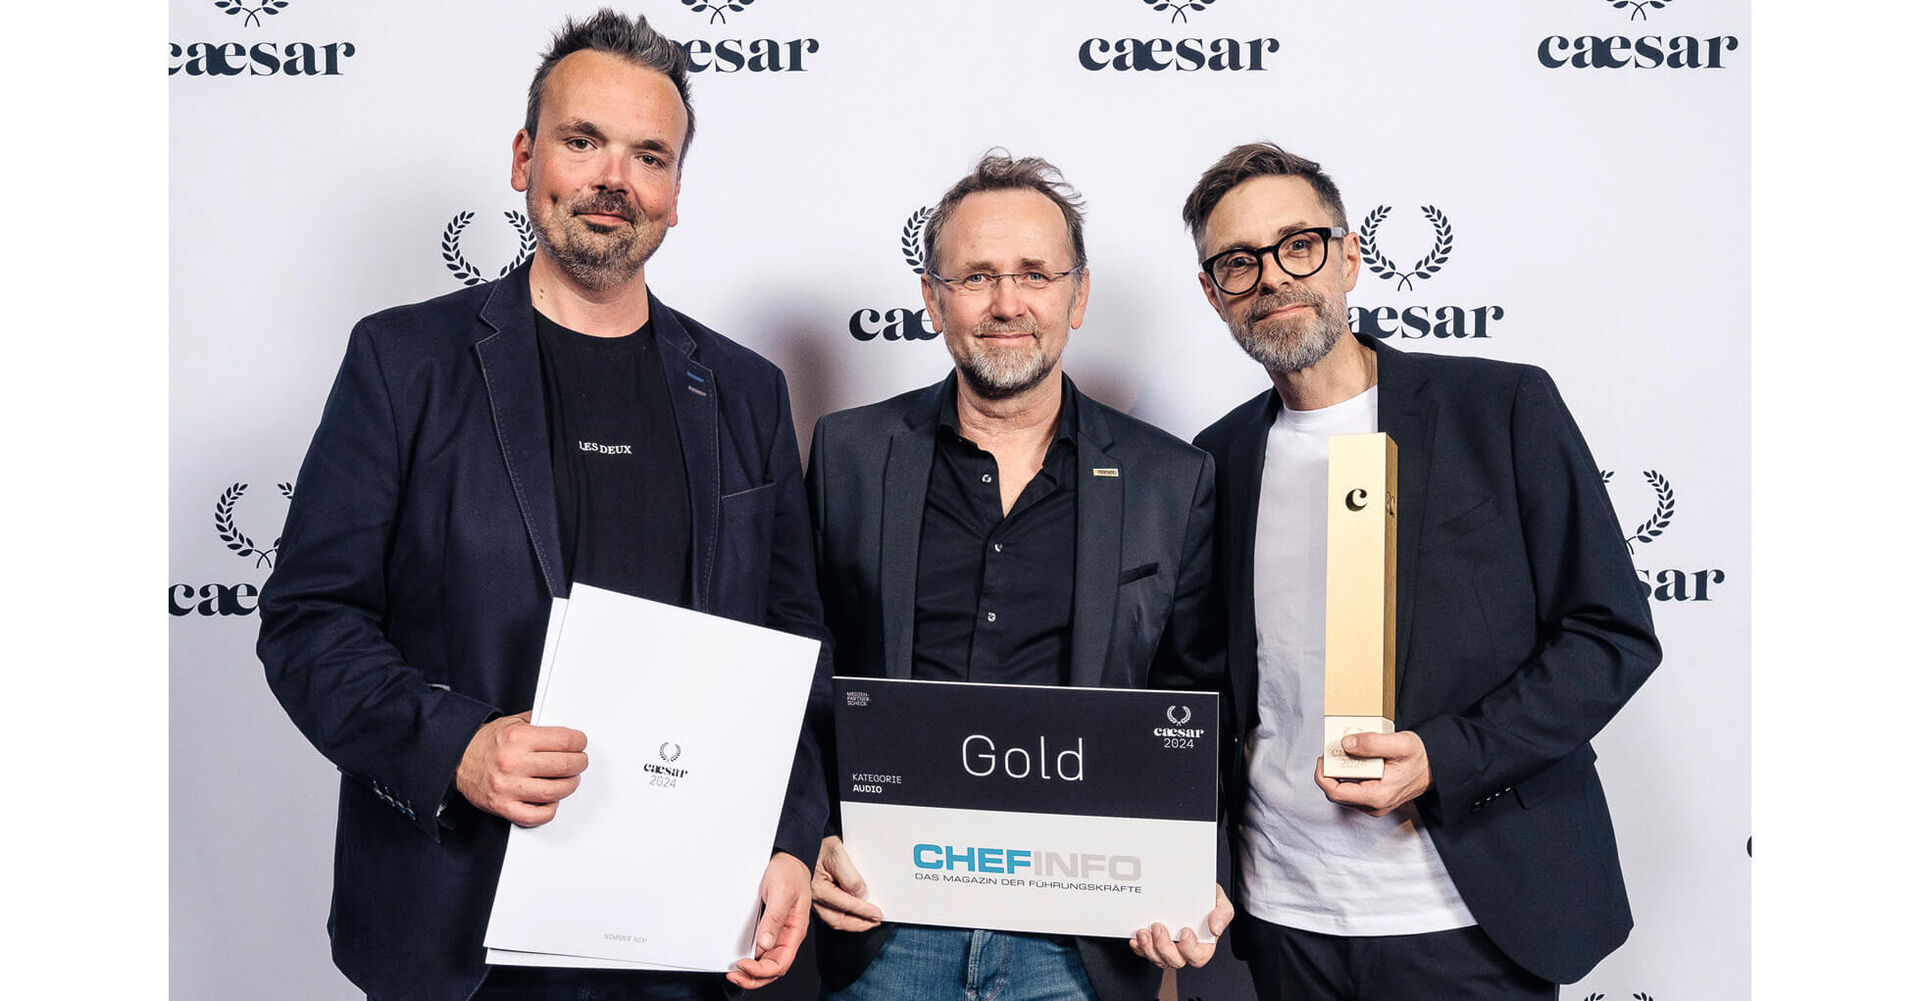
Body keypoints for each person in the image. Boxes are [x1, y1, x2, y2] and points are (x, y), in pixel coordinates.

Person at [256, 11, 828, 1000]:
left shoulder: (744, 391)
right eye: (582, 141)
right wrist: (457, 747)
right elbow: (309, 621)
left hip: (689, 940)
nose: (614, 178)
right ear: (526, 159)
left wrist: (789, 840)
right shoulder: (403, 362)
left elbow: (794, 651)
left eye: (649, 155)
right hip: (460, 937)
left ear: (675, 193)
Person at [1182, 141, 1663, 1000]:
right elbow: (1206, 688)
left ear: (1349, 256)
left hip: (1467, 915)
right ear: (1214, 294)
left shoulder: (1500, 408)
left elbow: (1609, 635)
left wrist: (1446, 755)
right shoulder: (1215, 460)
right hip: (1287, 914)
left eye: (1299, 244)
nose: (1273, 277)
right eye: (1239, 262)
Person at [803, 152, 1233, 1001]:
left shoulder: (1169, 479)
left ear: (1078, 295)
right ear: (934, 300)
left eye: (1036, 274)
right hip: (885, 925)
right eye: (977, 277)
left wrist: (1186, 875)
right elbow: (808, 667)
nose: (1007, 303)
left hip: (1081, 943)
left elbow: (1192, 703)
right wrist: (804, 832)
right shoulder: (849, 454)